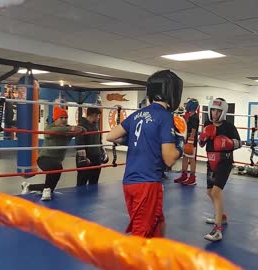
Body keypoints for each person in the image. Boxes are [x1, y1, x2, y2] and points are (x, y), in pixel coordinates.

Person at [106, 70, 184, 238]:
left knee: (157, 221)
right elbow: (169, 159)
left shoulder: (137, 114)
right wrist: (181, 146)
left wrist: (136, 139)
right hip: (147, 183)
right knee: (140, 234)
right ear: (172, 92)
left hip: (129, 182)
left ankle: (157, 255)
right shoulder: (164, 116)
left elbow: (111, 136)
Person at [199, 98, 241, 241]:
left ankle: (217, 230)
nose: (215, 113)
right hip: (210, 161)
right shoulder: (207, 124)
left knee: (216, 192)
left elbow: (239, 143)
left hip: (224, 161)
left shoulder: (228, 127)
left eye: (218, 110)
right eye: (213, 110)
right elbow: (201, 143)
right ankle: (221, 216)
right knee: (209, 191)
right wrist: (204, 135)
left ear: (223, 112)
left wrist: (228, 143)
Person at [21, 106, 85, 201]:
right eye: (61, 118)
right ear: (55, 119)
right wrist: (71, 129)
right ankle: (46, 192)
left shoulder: (67, 129)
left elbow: (83, 130)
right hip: (44, 159)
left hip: (57, 161)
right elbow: (55, 131)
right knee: (54, 169)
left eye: (65, 118)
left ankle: (30, 187)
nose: (64, 120)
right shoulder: (49, 128)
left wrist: (74, 129)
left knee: (51, 186)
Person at [75, 107, 107, 186]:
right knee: (82, 183)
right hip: (87, 159)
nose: (98, 118)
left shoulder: (95, 126)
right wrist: (83, 158)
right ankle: (80, 198)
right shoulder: (81, 126)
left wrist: (103, 152)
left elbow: (99, 141)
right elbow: (79, 143)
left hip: (96, 159)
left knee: (94, 183)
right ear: (94, 115)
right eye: (98, 116)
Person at [174, 98, 200, 185]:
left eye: (187, 104)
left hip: (191, 141)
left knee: (191, 159)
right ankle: (184, 175)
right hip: (187, 140)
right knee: (185, 157)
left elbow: (193, 130)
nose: (186, 106)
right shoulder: (190, 116)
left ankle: (192, 178)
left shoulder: (194, 118)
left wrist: (190, 142)